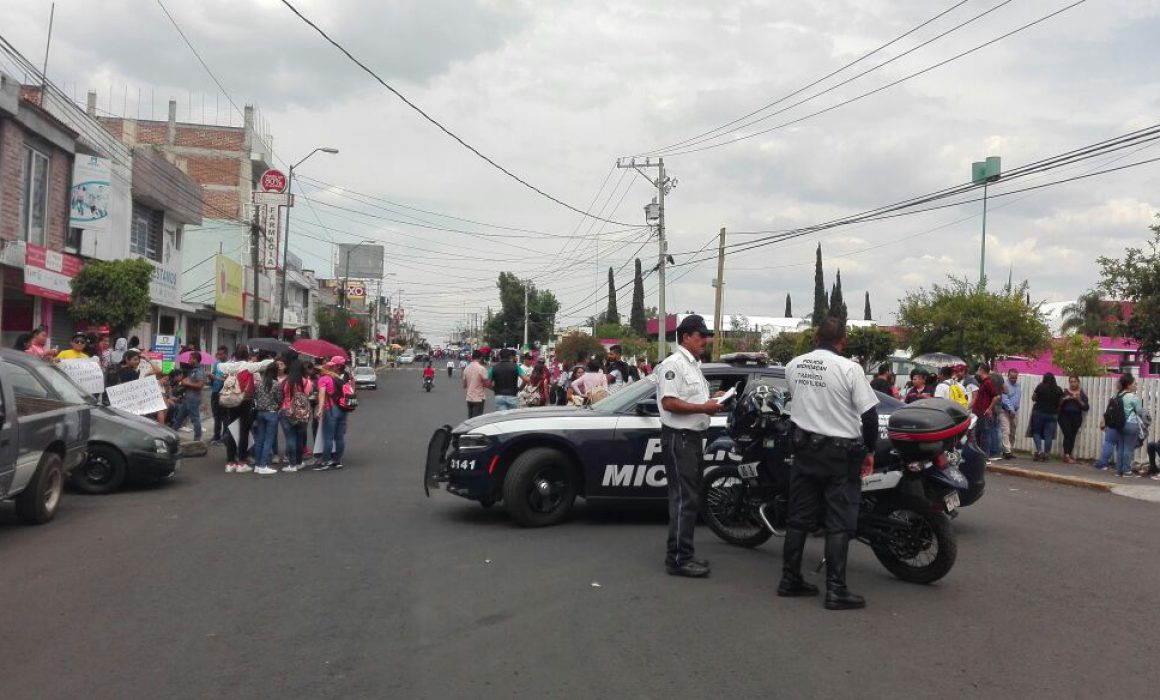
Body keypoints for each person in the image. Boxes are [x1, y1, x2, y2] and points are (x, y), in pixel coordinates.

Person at [781, 318, 878, 611]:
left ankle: (790, 580)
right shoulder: (849, 369)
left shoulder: (793, 365)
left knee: (798, 518)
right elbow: (870, 417)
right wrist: (869, 452)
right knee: (838, 523)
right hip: (838, 457)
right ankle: (836, 590)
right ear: (843, 341)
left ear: (815, 337)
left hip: (804, 452)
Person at [654, 315, 721, 579]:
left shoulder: (693, 365)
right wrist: (704, 407)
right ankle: (679, 559)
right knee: (684, 499)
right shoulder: (674, 364)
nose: (704, 340)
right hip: (679, 437)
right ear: (685, 337)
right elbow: (669, 402)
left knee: (690, 498)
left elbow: (691, 398)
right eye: (700, 336)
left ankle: (684, 553)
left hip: (691, 438)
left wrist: (712, 400)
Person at [216, 348, 270, 473]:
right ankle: (242, 462)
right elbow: (264, 364)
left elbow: (218, 366)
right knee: (244, 431)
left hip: (231, 400)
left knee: (231, 429)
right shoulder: (249, 366)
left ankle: (230, 463)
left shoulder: (229, 366)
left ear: (235, 355)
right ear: (247, 355)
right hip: (246, 400)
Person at [1094, 373, 1143, 477]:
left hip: (1119, 425)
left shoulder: (1116, 395)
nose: (1136, 386)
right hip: (1131, 424)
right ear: (1128, 385)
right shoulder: (1133, 397)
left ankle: (1119, 470)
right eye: (1134, 384)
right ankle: (1127, 471)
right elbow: (1139, 411)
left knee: (1121, 448)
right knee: (1128, 448)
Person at [315, 355, 350, 470]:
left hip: (330, 409)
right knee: (339, 436)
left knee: (328, 437)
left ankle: (325, 461)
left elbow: (321, 395)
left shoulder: (324, 379)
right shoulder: (340, 378)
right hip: (342, 409)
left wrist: (319, 410)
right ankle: (337, 461)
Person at [279, 356, 312, 473]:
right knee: (299, 438)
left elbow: (281, 396)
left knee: (290, 438)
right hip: (302, 413)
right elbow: (308, 395)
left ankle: (291, 464)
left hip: (286, 411)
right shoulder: (307, 382)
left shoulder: (286, 382)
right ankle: (299, 462)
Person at [251, 362, 283, 476]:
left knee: (259, 439)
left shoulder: (259, 384)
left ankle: (258, 465)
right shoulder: (276, 384)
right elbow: (279, 399)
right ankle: (263, 465)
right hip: (271, 413)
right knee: (268, 440)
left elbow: (255, 397)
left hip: (260, 412)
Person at [1028, 372, 1063, 461]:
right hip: (1052, 414)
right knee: (1049, 435)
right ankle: (1046, 454)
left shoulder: (1040, 387)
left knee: (1036, 432)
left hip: (1039, 412)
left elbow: (1033, 398)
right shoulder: (1058, 389)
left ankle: (1039, 451)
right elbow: (1061, 402)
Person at [969, 363, 1000, 459]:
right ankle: (980, 455)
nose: (977, 372)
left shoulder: (988, 382)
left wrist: (989, 408)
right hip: (978, 412)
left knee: (985, 435)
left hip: (983, 412)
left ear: (982, 370)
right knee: (978, 434)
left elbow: (996, 396)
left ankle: (985, 456)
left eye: (978, 370)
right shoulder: (983, 382)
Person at [173, 352, 206, 440]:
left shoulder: (199, 371)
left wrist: (187, 383)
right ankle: (171, 435)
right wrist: (185, 381)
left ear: (195, 360)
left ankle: (197, 439)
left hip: (193, 399)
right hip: (187, 398)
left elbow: (200, 385)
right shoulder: (193, 370)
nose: (188, 360)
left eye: (190, 359)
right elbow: (189, 381)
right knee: (179, 418)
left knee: (195, 419)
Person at [1058, 375, 1090, 464]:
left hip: (1076, 417)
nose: (1072, 384)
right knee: (1068, 434)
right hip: (1064, 416)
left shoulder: (1082, 394)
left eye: (1074, 381)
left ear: (1078, 382)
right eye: (1071, 382)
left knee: (1072, 435)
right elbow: (1058, 404)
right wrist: (1065, 399)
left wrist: (1078, 399)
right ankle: (1067, 455)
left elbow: (1086, 407)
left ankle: (1068, 454)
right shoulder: (1065, 392)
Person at [998, 369, 1022, 459]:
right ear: (1008, 376)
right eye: (1012, 377)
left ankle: (1009, 450)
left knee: (1013, 432)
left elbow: (1018, 398)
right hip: (1005, 411)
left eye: (1015, 378)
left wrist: (1014, 410)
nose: (1013, 379)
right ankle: (1006, 451)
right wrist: (1011, 410)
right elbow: (1005, 399)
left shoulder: (1018, 386)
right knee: (1006, 431)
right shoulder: (1005, 385)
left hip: (1015, 411)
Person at [209, 346, 229, 444]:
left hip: (224, 392)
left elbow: (228, 380)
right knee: (216, 415)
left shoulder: (230, 365)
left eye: (221, 354)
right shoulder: (216, 363)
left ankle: (224, 436)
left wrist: (216, 378)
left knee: (224, 416)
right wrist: (211, 376)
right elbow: (213, 374)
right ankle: (216, 435)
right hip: (215, 391)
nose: (219, 356)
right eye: (218, 354)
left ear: (226, 354)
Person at [462, 350, 489, 418]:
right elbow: (486, 383)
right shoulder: (481, 369)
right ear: (480, 358)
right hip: (478, 398)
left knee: (470, 419)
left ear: (472, 357)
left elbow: (464, 385)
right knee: (476, 420)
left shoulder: (466, 369)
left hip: (469, 397)